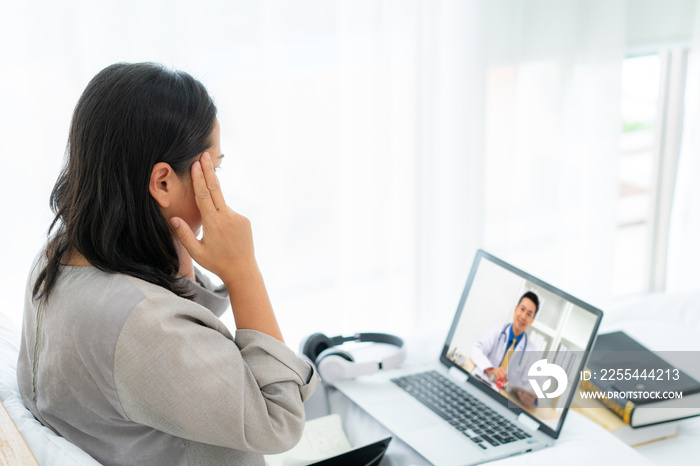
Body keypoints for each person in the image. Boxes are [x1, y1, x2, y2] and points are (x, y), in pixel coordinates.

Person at [17, 62, 319, 466]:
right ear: (162, 182)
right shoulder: (144, 324)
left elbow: (185, 332)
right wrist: (245, 272)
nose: (218, 185)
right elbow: (280, 419)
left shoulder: (54, 259)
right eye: (215, 167)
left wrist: (176, 251)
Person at [471, 291, 540, 407]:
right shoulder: (497, 330)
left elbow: (533, 384)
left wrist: (532, 398)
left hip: (504, 402)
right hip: (481, 388)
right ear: (516, 309)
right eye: (522, 309)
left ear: (532, 321)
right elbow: (476, 348)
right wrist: (490, 370)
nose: (523, 316)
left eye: (529, 314)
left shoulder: (531, 351)